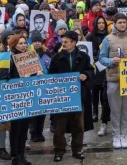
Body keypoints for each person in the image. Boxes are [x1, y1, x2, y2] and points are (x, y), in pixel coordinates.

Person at [99, 13, 127, 149]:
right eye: (120, 22)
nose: (122, 25)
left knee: (126, 111)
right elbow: (101, 58)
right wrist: (111, 61)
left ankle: (124, 135)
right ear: (114, 24)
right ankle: (116, 135)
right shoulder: (108, 39)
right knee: (115, 111)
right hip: (114, 79)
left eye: (124, 22)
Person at [49, 30, 93, 162]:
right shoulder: (56, 57)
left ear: (74, 43)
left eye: (66, 42)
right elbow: (51, 75)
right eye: (62, 42)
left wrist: (86, 75)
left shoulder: (83, 56)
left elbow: (90, 69)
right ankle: (59, 150)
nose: (63, 44)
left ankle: (77, 149)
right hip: (62, 97)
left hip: (78, 96)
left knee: (78, 125)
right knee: (59, 126)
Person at [0, 34, 35, 165]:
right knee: (16, 128)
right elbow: (4, 78)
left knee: (24, 128)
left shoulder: (29, 57)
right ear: (14, 45)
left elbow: (33, 77)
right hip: (15, 99)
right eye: (20, 43)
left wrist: (36, 73)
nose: (23, 45)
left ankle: (21, 154)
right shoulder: (8, 58)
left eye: (24, 43)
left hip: (27, 98)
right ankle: (15, 156)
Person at [85, 17, 110, 135]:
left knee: (103, 90)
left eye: (102, 23)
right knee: (94, 90)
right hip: (94, 65)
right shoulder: (90, 36)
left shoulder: (108, 36)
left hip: (104, 65)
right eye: (99, 23)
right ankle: (94, 111)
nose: (101, 25)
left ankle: (103, 115)